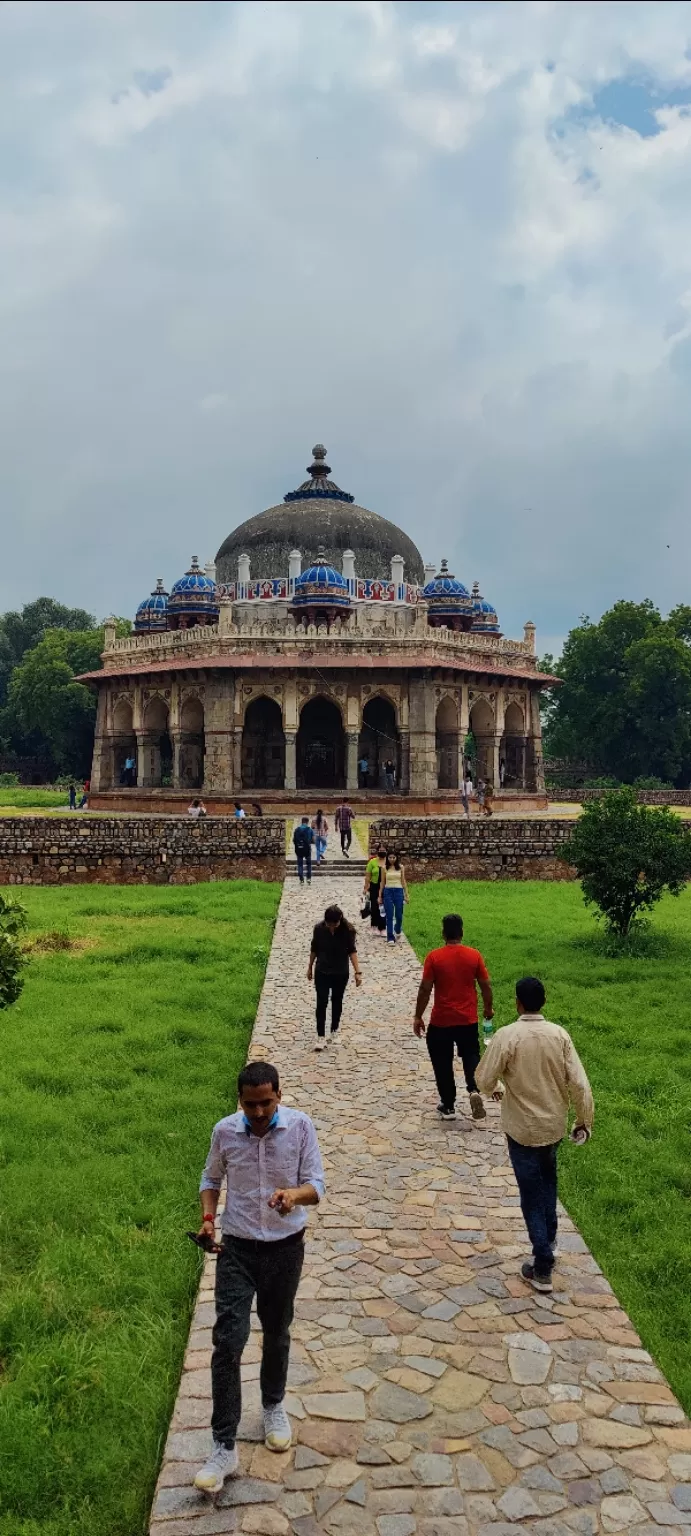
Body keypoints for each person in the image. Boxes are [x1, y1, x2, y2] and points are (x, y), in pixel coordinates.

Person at [194, 1061, 325, 1494]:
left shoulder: (301, 1128)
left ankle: (272, 1405)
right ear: (240, 1101)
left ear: (279, 1096)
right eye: (250, 1105)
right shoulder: (225, 1131)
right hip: (237, 1248)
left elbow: (316, 1186)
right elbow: (210, 1178)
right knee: (227, 1341)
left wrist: (293, 1195)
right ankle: (223, 1444)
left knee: (276, 1331)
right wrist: (209, 1219)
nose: (258, 1113)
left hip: (285, 1248)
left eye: (266, 1103)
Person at [476, 976, 594, 1293]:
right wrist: (583, 1120)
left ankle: (542, 1265)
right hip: (553, 1126)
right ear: (543, 1002)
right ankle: (550, 1240)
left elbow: (484, 1079)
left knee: (531, 1194)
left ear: (517, 1003)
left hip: (521, 1129)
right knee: (548, 1181)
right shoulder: (560, 1036)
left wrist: (498, 1089)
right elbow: (580, 1084)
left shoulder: (507, 1036)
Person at [413, 914, 493, 1123]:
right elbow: (485, 985)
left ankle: (448, 1104)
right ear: (462, 933)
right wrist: (488, 1008)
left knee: (442, 1062)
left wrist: (418, 1016)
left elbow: (425, 989)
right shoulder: (474, 956)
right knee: (471, 1054)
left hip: (442, 1020)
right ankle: (474, 1089)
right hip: (467, 1019)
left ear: (443, 934)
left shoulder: (434, 957)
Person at [308, 904, 362, 1051]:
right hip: (322, 971)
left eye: (334, 924)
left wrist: (358, 972)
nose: (331, 927)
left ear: (340, 920)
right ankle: (320, 1036)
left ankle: (334, 1030)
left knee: (337, 1001)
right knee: (322, 1002)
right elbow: (314, 948)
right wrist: (310, 967)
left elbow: (352, 951)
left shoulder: (348, 931)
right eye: (329, 924)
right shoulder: (319, 929)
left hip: (340, 972)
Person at [380, 850, 408, 943]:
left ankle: (398, 928)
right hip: (388, 891)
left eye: (393, 857)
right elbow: (382, 883)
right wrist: (380, 896)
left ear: (396, 858)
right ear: (387, 858)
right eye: (390, 857)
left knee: (399, 915)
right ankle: (390, 937)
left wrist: (406, 894)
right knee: (389, 915)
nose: (392, 859)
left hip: (399, 891)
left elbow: (403, 881)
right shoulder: (384, 868)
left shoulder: (400, 867)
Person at [363, 846, 386, 932]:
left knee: (384, 906)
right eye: (380, 850)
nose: (382, 851)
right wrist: (366, 887)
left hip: (385, 887)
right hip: (374, 886)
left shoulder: (388, 862)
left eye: (383, 850)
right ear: (377, 851)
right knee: (374, 906)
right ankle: (374, 924)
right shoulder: (372, 862)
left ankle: (382, 927)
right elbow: (368, 876)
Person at [293, 815, 314, 884]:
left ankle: (301, 879)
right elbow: (313, 840)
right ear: (307, 822)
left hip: (299, 849)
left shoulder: (297, 830)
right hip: (307, 849)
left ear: (301, 822)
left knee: (300, 864)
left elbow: (294, 840)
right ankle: (308, 879)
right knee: (308, 864)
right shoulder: (310, 829)